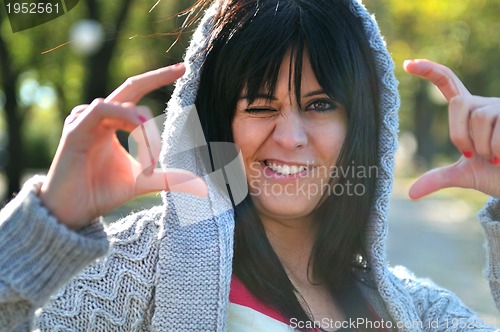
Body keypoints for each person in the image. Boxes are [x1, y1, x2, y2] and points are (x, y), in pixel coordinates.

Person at [1, 0, 499, 330]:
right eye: (260, 106)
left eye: (321, 104)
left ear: (363, 127)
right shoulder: (127, 273)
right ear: (219, 121)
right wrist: (45, 224)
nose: (290, 137)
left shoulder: (419, 310)